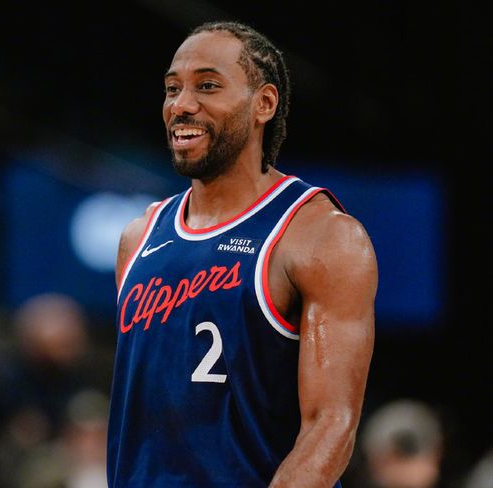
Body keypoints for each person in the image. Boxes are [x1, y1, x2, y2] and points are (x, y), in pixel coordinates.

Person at [107, 21, 377, 487]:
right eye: (172, 89)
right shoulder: (139, 237)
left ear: (264, 104)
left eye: (207, 86)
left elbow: (331, 426)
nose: (181, 105)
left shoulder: (320, 236)